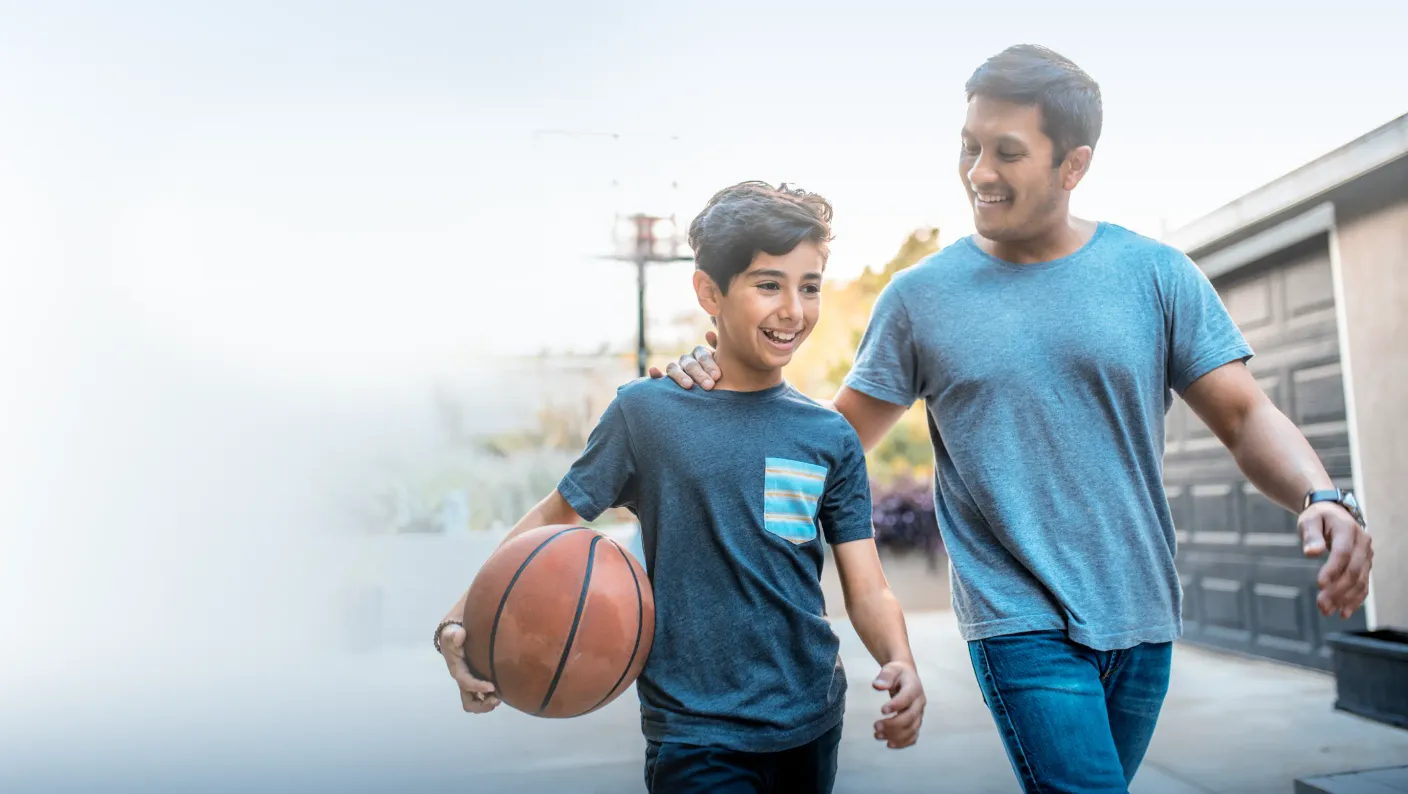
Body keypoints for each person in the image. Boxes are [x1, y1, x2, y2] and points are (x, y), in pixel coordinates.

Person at [654, 45, 1374, 793]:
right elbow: (830, 443)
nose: (978, 172)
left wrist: (1321, 495)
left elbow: (1243, 415)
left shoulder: (1155, 275)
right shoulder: (920, 298)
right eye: (969, 146)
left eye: (1006, 152)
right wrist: (710, 391)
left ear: (1074, 165)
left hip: (1143, 614)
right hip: (1017, 621)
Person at [435, 181, 927, 794]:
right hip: (696, 732)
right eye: (768, 284)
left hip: (812, 721)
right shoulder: (647, 414)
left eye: (810, 286)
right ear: (708, 291)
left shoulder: (828, 435)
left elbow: (868, 585)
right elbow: (553, 519)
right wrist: (460, 624)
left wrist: (899, 660)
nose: (793, 310)